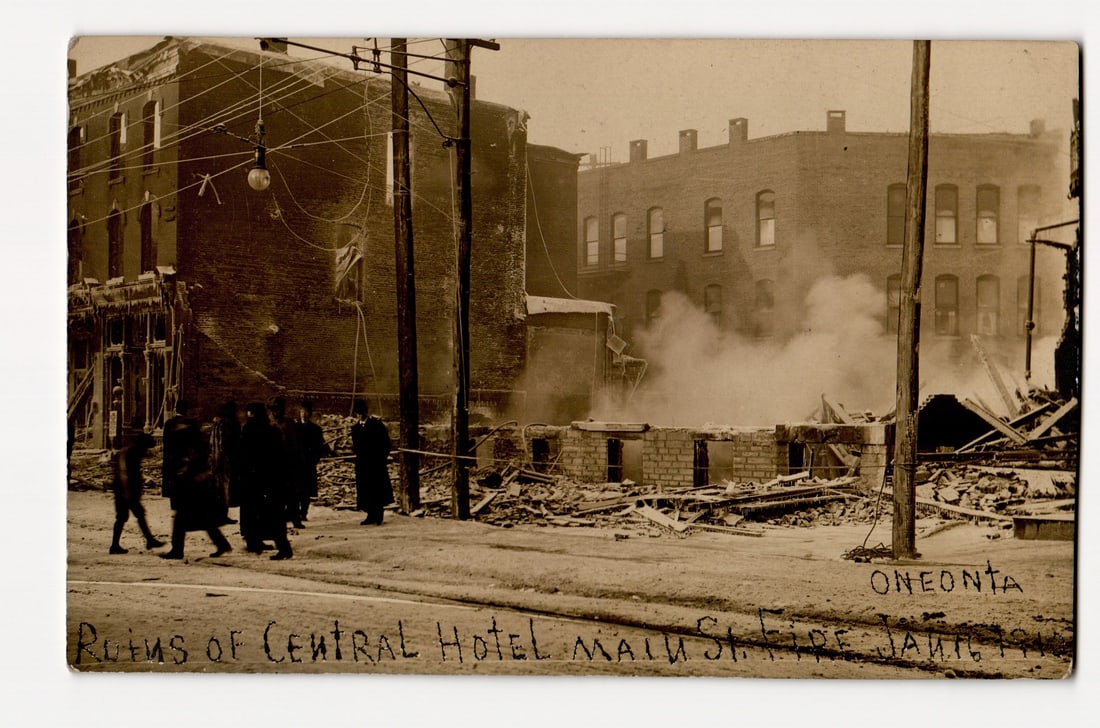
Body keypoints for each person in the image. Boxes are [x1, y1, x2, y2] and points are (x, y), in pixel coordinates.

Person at [161, 402, 233, 560]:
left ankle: (177, 550)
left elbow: (168, 453)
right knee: (201, 516)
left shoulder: (172, 425)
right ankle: (221, 544)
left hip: (185, 478)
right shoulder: (192, 425)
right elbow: (202, 449)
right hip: (194, 477)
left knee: (183, 516)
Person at [238, 401, 293, 559]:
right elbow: (281, 455)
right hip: (271, 479)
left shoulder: (248, 429)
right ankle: (279, 546)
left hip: (255, 479)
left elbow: (244, 455)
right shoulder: (272, 429)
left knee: (256, 512)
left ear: (253, 414)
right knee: (273, 514)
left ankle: (262, 544)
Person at [109, 431, 165, 554]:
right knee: (124, 516)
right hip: (124, 489)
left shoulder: (132, 451)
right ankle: (115, 545)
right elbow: (124, 473)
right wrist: (127, 491)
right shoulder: (130, 452)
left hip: (126, 489)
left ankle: (148, 540)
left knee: (132, 515)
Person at [350, 399, 393, 525]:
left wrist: (381, 458)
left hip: (376, 464)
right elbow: (356, 447)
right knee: (365, 490)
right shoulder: (355, 429)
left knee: (377, 489)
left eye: (360, 413)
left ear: (364, 413)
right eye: (357, 414)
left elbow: (386, 443)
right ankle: (370, 514)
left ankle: (378, 515)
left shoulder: (376, 425)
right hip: (363, 465)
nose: (358, 416)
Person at [269, 396, 304, 529]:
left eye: (278, 409)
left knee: (292, 494)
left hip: (289, 462)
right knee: (276, 495)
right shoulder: (268, 422)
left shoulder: (289, 423)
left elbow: (296, 443)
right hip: (274, 463)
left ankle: (295, 519)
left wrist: (297, 461)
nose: (276, 412)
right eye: (273, 410)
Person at [295, 400, 331, 524]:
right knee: (296, 490)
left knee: (306, 491)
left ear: (309, 414)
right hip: (296, 464)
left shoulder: (315, 429)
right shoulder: (295, 427)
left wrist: (313, 460)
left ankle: (303, 513)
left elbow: (319, 447)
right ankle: (294, 513)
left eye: (305, 412)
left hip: (308, 464)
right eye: (301, 412)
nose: (303, 414)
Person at [209, 400, 241, 526]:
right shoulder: (227, 424)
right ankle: (221, 516)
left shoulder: (216, 423)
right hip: (226, 461)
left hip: (216, 459)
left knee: (219, 489)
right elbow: (226, 444)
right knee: (224, 489)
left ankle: (220, 515)